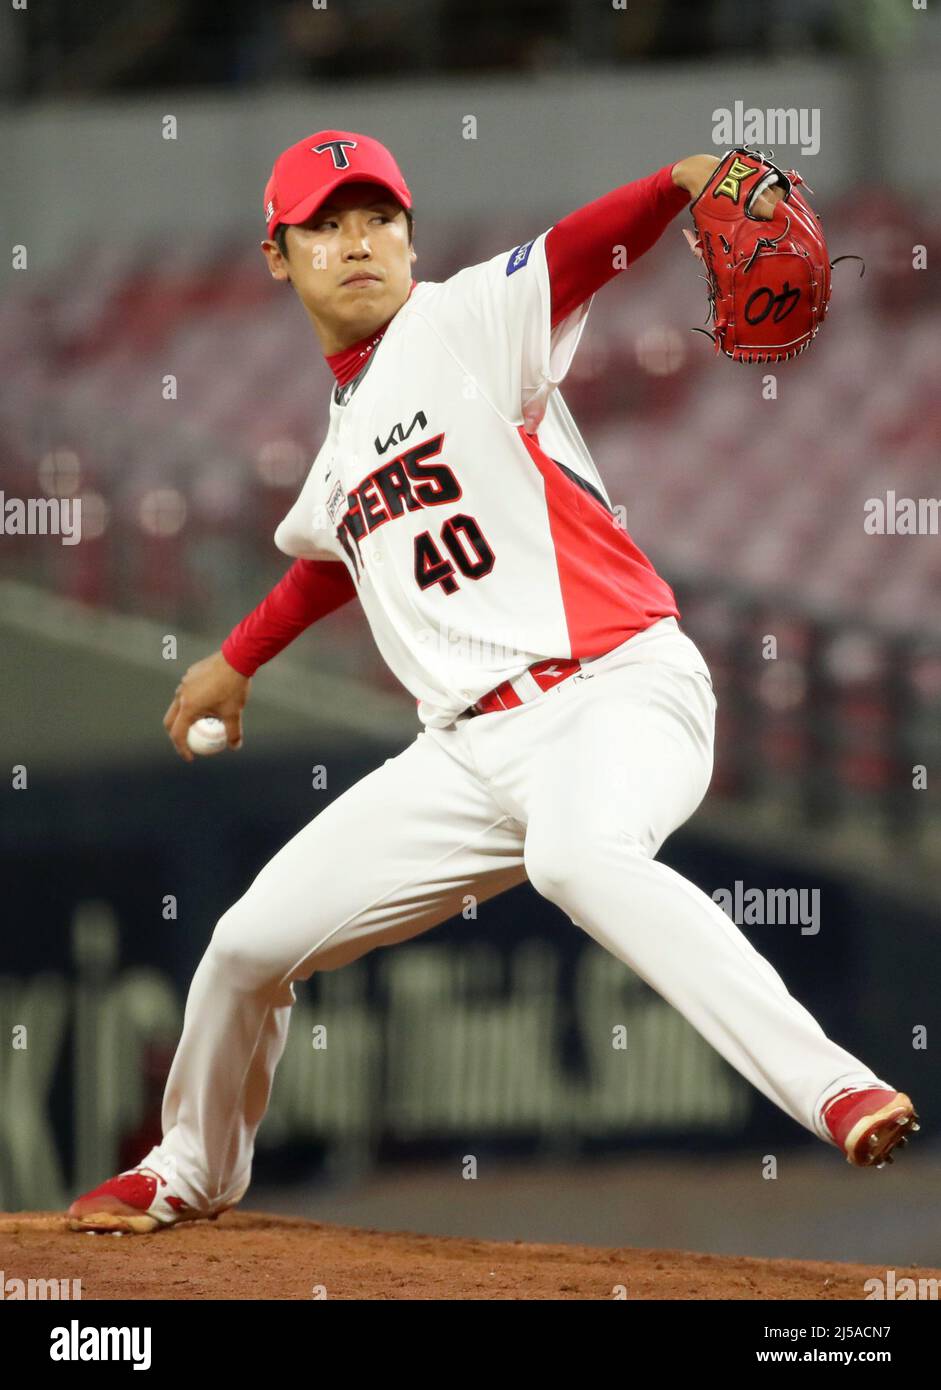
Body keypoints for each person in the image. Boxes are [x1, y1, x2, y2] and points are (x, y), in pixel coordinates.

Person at [68, 130, 917, 1234]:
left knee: (576, 857)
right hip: (465, 753)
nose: (357, 241)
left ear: (411, 237)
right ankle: (188, 1167)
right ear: (277, 256)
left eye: (377, 217)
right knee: (242, 947)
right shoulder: (340, 444)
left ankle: (831, 1085)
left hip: (617, 687)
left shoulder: (463, 320)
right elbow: (334, 554)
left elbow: (579, 250)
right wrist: (235, 661)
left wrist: (672, 182)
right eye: (324, 223)